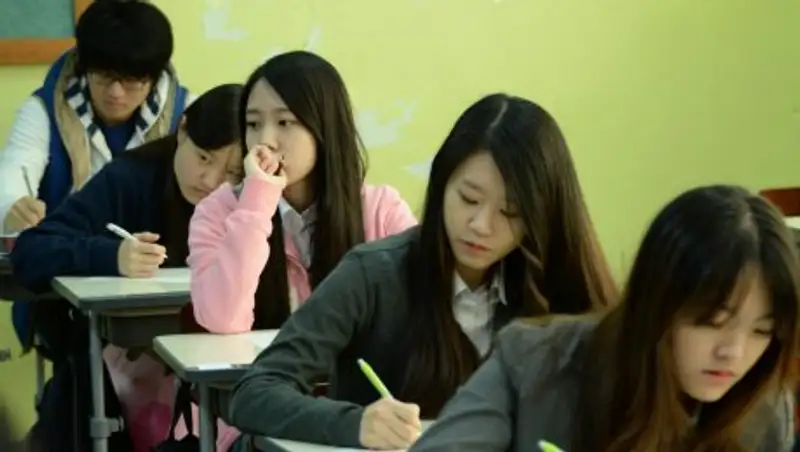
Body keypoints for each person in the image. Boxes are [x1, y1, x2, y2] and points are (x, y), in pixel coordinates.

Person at [225, 93, 618, 450]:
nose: (481, 225)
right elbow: (255, 391)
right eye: (469, 199)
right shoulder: (374, 275)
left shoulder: (557, 289)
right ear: (442, 184)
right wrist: (355, 424)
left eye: (510, 212)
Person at [411, 185, 800, 452]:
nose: (734, 353)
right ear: (655, 304)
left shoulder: (763, 408)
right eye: (712, 321)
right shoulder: (536, 362)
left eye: (762, 330)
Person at [181, 50, 418, 451]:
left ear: (324, 127)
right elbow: (223, 318)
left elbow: (423, 318)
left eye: (284, 122)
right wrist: (257, 199)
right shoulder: (218, 212)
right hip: (261, 425)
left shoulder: (380, 211)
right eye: (253, 124)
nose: (265, 140)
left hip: (365, 424)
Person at [10, 83, 243, 452]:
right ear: (182, 129)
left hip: (218, 367)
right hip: (120, 372)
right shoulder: (132, 177)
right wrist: (112, 256)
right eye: (203, 158)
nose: (211, 181)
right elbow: (31, 250)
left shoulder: (253, 200)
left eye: (232, 172)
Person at [2, 0, 190, 351]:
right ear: (83, 67)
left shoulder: (187, 118)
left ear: (154, 76)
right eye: (103, 76)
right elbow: (13, 172)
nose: (116, 92)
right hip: (68, 288)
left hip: (163, 290)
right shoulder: (44, 110)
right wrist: (12, 206)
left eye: (131, 80)